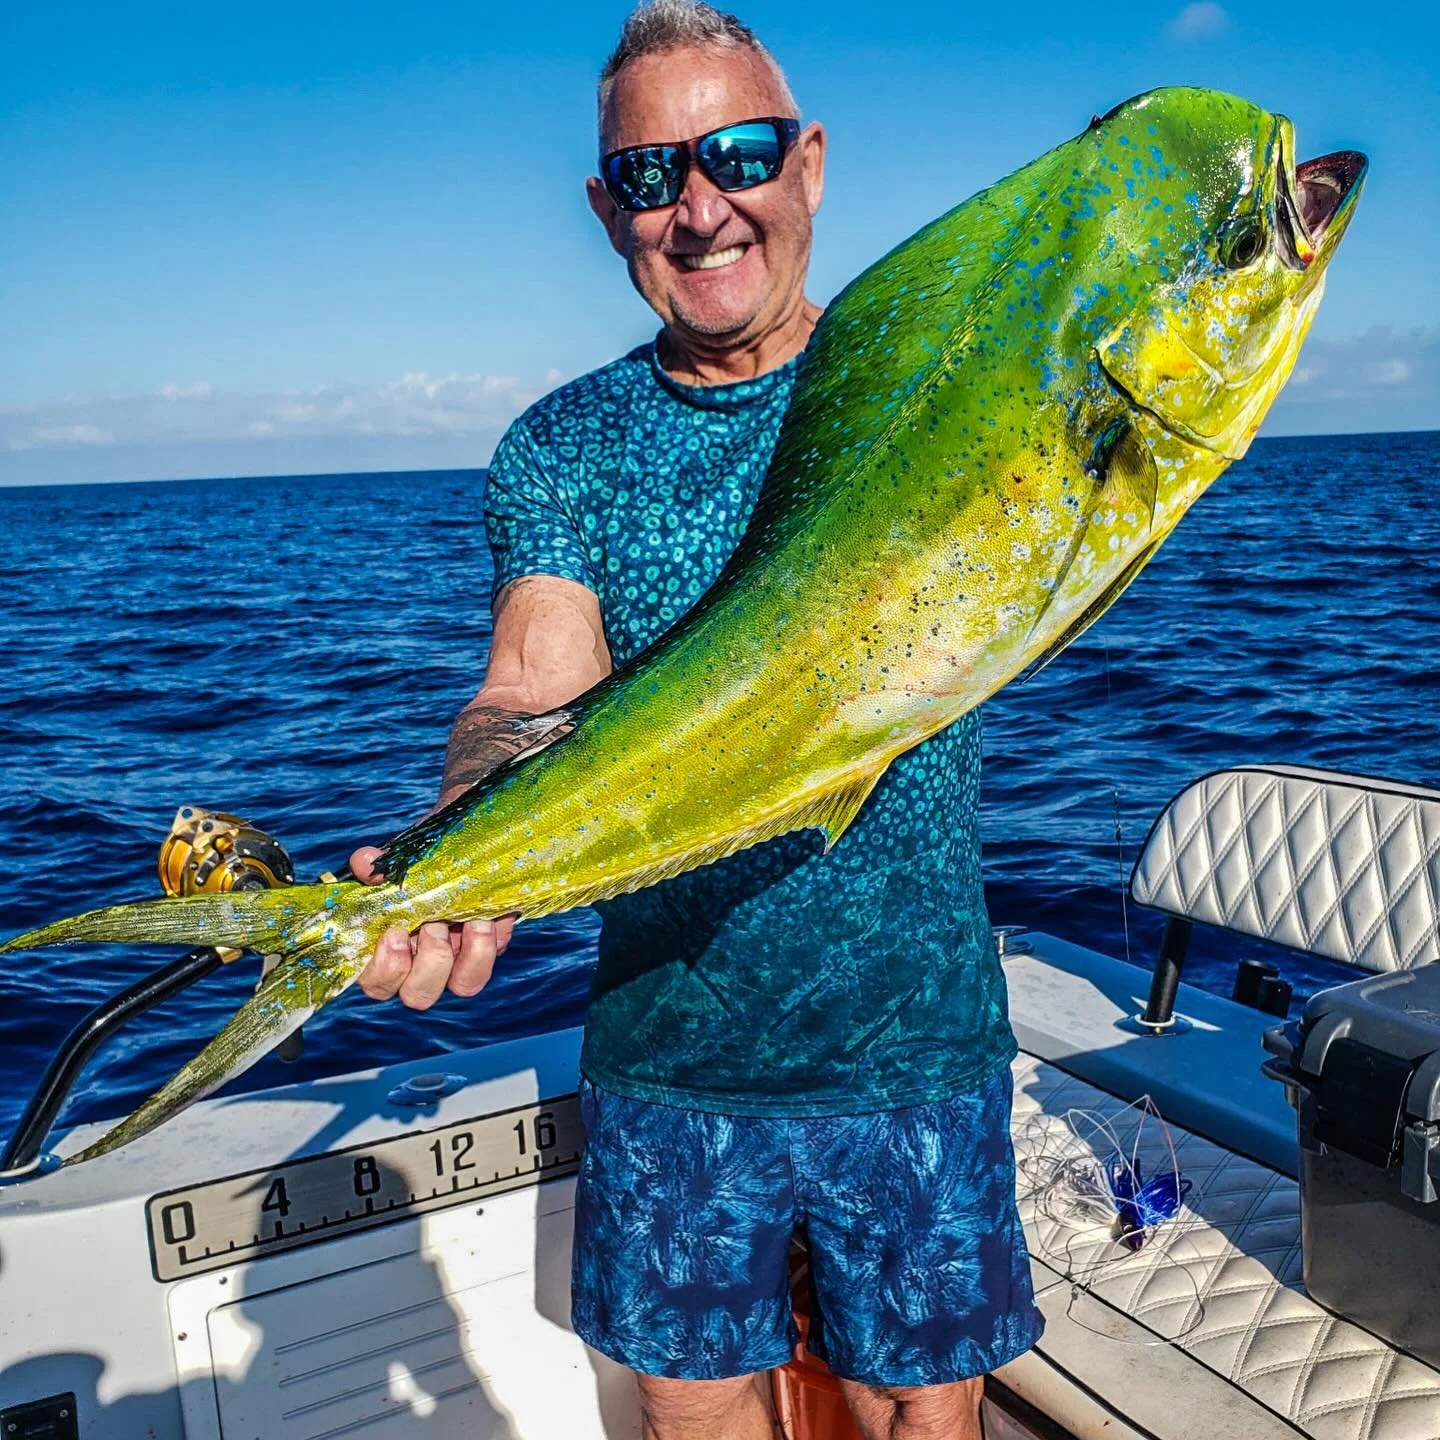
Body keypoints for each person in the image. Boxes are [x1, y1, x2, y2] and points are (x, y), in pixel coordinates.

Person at [351, 3, 1041, 1436]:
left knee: (930, 1413)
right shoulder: (563, 447)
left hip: (918, 1038)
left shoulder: (927, 396)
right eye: (656, 174)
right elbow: (531, 688)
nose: (703, 206)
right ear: (609, 210)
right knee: (696, 1413)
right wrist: (453, 840)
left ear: (810, 164)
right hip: (673, 1062)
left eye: (737, 152)